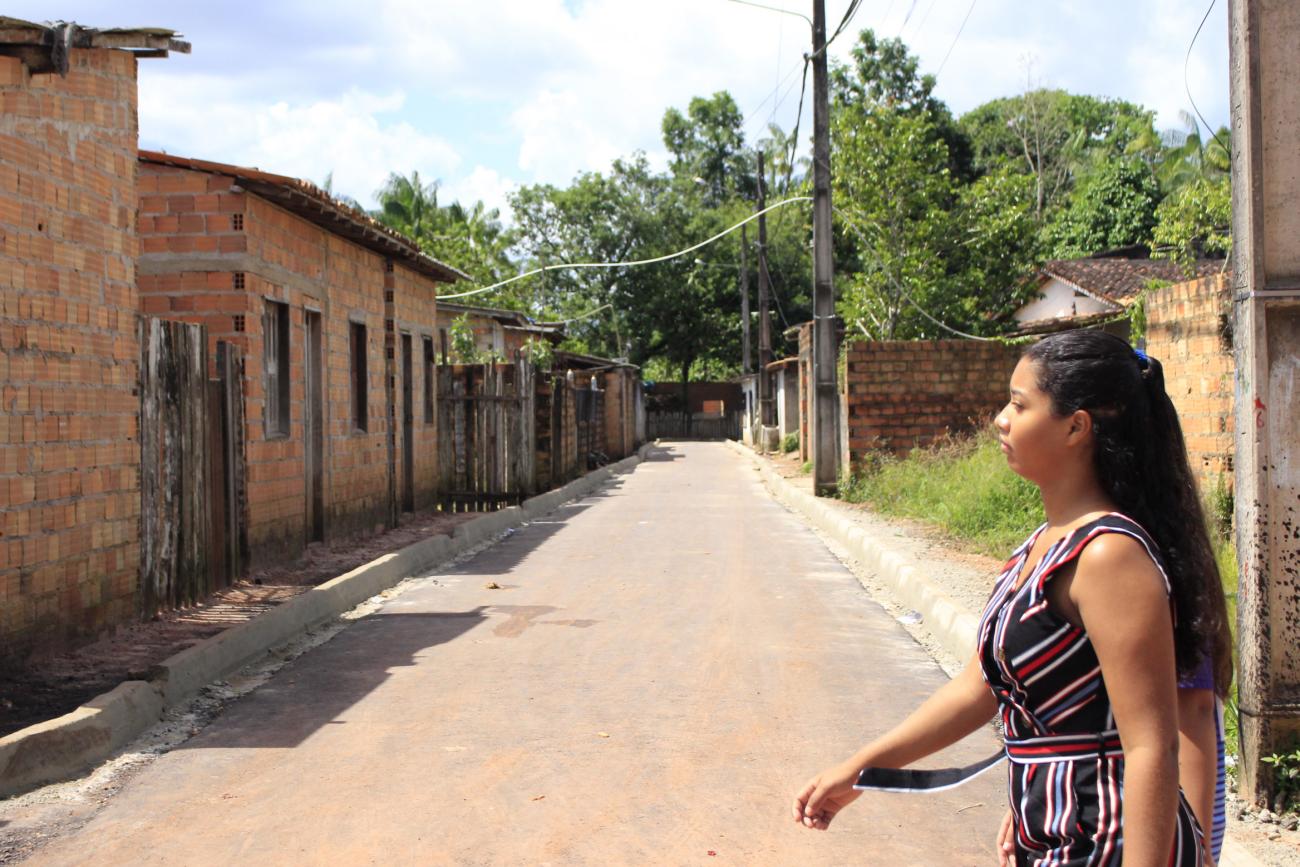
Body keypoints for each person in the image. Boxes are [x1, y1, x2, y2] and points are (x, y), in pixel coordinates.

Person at [792, 330, 1234, 866]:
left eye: (1019, 405)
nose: (1001, 420)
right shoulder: (1043, 545)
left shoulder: (1108, 555)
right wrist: (861, 768)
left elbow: (1151, 747)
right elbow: (979, 686)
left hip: (1106, 842)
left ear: (1076, 427)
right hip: (1054, 833)